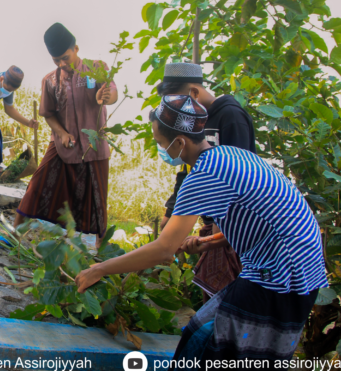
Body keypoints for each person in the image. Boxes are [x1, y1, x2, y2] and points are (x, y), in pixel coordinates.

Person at [75, 94, 327, 365]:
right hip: (305, 266)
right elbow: (262, 215)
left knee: (215, 350)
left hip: (281, 277)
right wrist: (214, 240)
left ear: (180, 142)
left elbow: (163, 250)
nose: (162, 149)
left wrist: (98, 269)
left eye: (161, 143)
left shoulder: (203, 175)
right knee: (199, 333)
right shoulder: (231, 154)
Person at [157, 62, 256, 299]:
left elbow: (237, 179)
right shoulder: (195, 118)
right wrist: (171, 212)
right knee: (211, 295)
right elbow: (187, 168)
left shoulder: (232, 117)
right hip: (214, 226)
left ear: (193, 93)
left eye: (179, 101)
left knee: (228, 300)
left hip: (234, 227)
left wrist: (219, 232)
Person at [13, 23, 117, 246]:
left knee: (98, 198)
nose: (62, 64)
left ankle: (101, 251)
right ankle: (14, 233)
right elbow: (48, 114)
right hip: (62, 147)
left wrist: (106, 96)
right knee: (37, 186)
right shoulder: (50, 80)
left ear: (76, 49)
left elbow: (113, 92)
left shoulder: (98, 68)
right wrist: (60, 133)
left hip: (94, 146)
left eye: (65, 58)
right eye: (56, 60)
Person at [0, 66, 38, 173]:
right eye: (7, 89)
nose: (8, 92)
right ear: (1, 79)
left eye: (11, 91)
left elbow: (9, 109)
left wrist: (28, 122)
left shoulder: (9, 89)